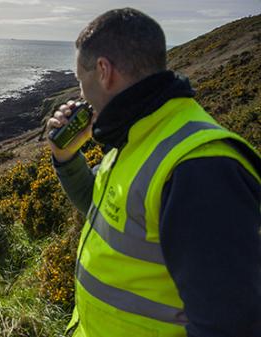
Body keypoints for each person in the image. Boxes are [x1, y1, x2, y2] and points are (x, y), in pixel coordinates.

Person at [47, 8, 261, 337]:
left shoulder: (199, 170)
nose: (80, 94)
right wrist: (66, 157)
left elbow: (230, 326)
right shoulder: (137, 135)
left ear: (104, 71)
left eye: (80, 80)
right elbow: (105, 212)